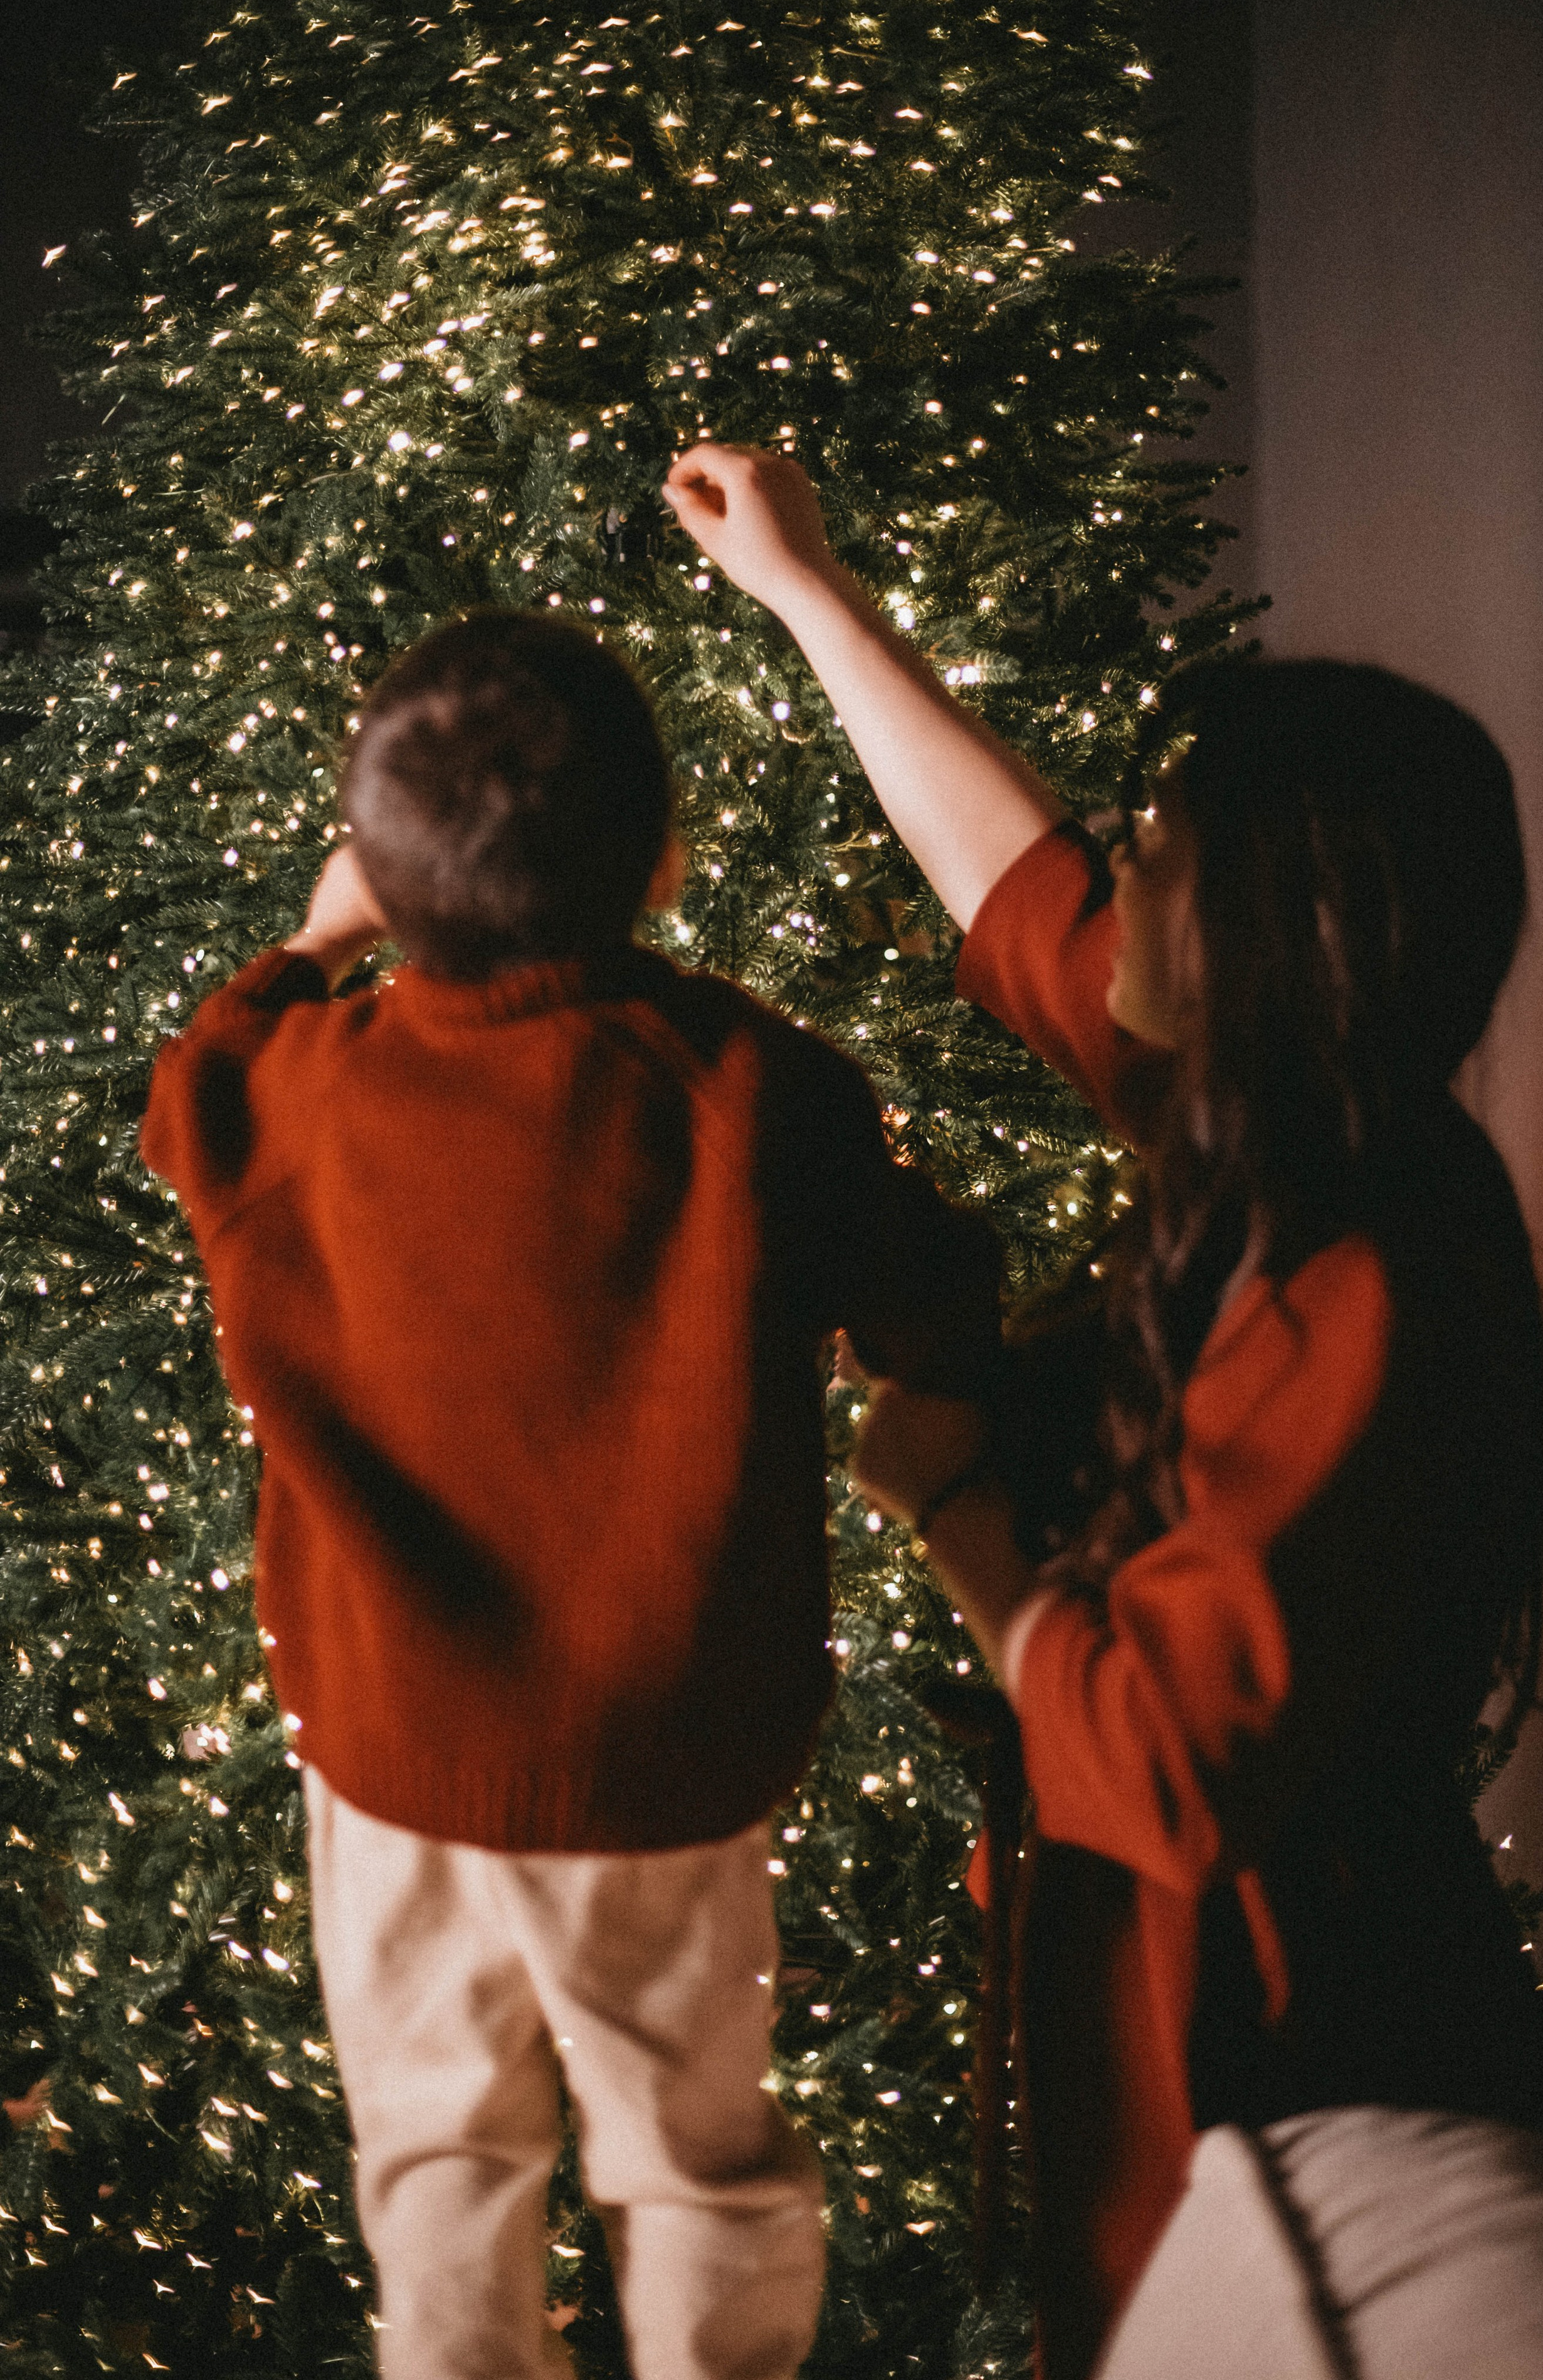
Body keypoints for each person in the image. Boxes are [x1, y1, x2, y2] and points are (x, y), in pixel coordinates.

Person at [663, 445, 1543, 2380]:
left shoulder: (1364, 1257)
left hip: (1292, 2066)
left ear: (1274, 914)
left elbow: (1165, 1761)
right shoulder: (1269, 1138)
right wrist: (806, 595)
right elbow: (1017, 893)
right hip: (1184, 2043)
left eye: (1165, 838)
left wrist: (953, 1513)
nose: (1129, 857)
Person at [140, 610, 1002, 2380]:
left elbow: (190, 1087)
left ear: (378, 868)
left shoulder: (297, 1091)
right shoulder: (753, 1084)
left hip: (398, 1757)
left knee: (444, 2155)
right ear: (666, 854)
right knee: (697, 2163)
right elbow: (938, 1297)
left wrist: (314, 937)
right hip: (668, 1758)